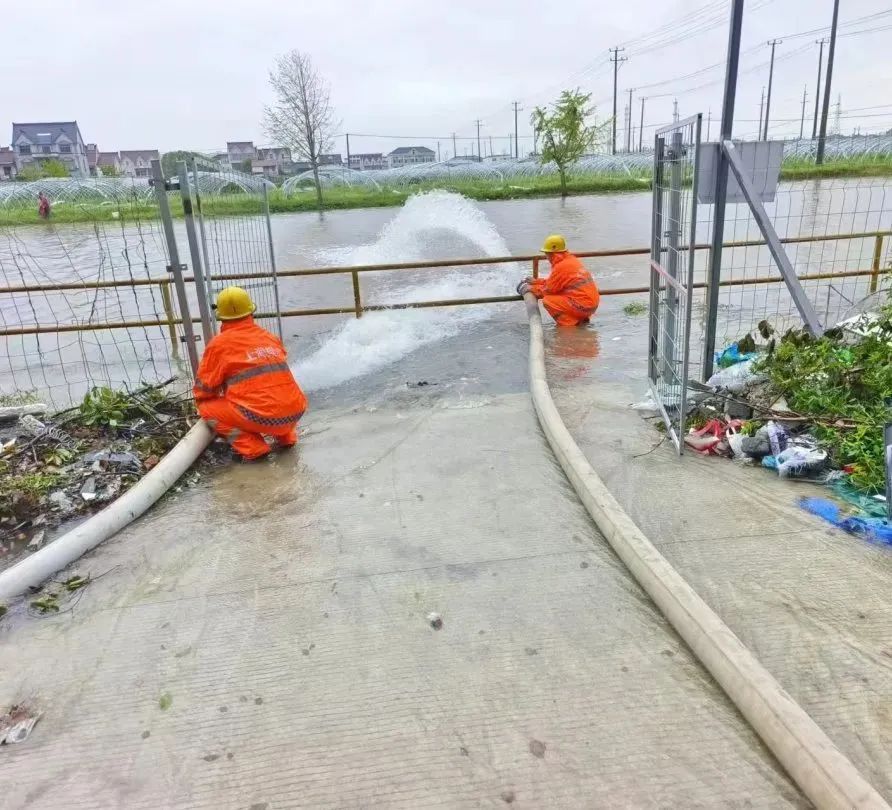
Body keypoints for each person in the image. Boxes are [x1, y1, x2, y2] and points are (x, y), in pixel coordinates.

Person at [193, 286, 307, 461]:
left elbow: (204, 389)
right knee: (275, 395)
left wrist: (209, 396)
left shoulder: (219, 345)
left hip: (264, 417)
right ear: (250, 311)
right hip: (295, 410)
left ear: (221, 316)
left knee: (206, 408)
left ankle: (253, 447)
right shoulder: (269, 337)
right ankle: (287, 437)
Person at [517, 234, 600, 327]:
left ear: (553, 254)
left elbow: (547, 290)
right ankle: (581, 320)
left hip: (583, 306)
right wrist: (536, 282)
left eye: (547, 254)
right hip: (590, 305)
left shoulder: (561, 267)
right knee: (559, 296)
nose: (546, 257)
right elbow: (556, 283)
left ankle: (569, 326)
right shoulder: (570, 261)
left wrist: (529, 288)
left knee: (548, 300)